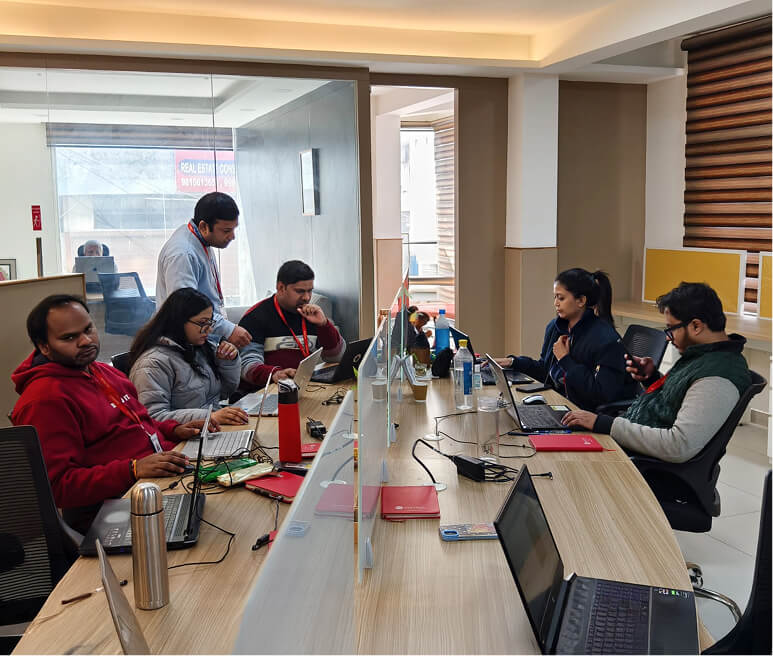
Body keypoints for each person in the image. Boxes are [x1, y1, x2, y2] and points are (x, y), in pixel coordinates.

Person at [10, 295, 205, 532]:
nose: (85, 341)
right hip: (112, 512)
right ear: (44, 347)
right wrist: (132, 469)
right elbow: (59, 486)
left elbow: (136, 424)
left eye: (88, 329)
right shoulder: (45, 400)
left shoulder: (101, 371)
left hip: (156, 483)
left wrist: (173, 429)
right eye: (69, 337)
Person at [562, 282, 752, 463]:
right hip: (629, 444)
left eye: (671, 329)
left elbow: (678, 446)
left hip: (642, 464)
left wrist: (603, 424)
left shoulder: (718, 377)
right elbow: (675, 402)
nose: (668, 338)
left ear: (696, 326)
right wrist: (652, 377)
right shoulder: (704, 357)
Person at [492, 268, 638, 410]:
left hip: (587, 414)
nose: (556, 303)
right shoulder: (555, 328)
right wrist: (513, 362)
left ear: (581, 300)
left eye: (561, 298)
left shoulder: (605, 339)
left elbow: (601, 393)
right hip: (560, 404)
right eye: (555, 297)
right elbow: (545, 370)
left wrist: (565, 360)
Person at [128, 288, 248, 427]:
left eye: (210, 323)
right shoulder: (152, 363)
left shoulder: (199, 348)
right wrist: (209, 417)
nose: (209, 329)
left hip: (210, 428)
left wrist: (227, 362)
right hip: (184, 436)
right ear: (178, 321)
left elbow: (224, 393)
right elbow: (152, 417)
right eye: (202, 323)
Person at [155, 192, 251, 348]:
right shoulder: (183, 254)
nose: (232, 236)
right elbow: (185, 308)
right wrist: (228, 329)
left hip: (203, 336)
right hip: (183, 343)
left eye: (234, 229)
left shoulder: (201, 240)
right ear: (203, 226)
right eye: (226, 231)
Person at [239, 260, 345, 388]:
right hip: (266, 390)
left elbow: (336, 358)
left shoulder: (311, 314)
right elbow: (246, 365)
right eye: (300, 291)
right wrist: (274, 374)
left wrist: (324, 325)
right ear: (281, 288)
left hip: (303, 386)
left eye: (310, 291)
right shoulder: (255, 316)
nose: (306, 297)